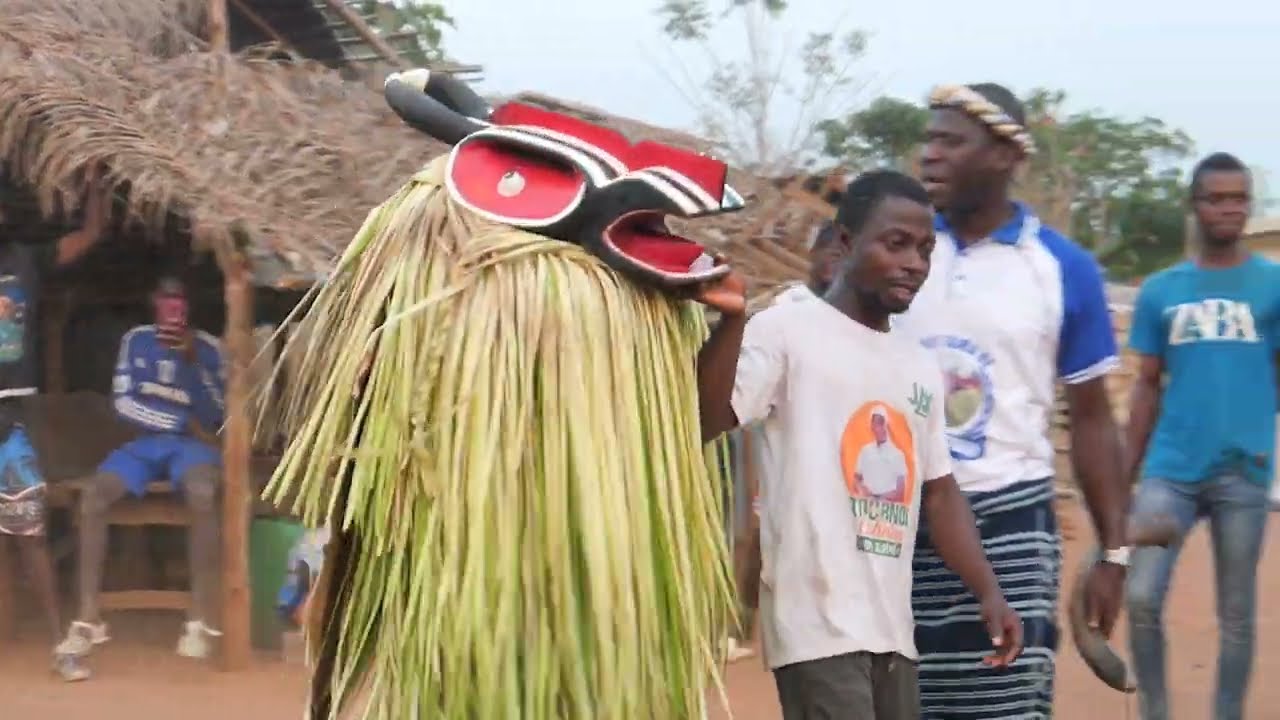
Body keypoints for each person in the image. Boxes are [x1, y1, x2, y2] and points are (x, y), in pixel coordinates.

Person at [695, 169, 1022, 719]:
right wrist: (730, 324)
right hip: (815, 623)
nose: (915, 263)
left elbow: (939, 494)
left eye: (924, 249)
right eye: (896, 244)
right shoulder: (788, 331)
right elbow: (707, 418)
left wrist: (988, 591)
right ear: (845, 244)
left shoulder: (917, 365)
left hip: (892, 630)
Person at [896, 82, 1131, 718]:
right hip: (890, 518)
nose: (930, 155)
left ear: (1002, 155)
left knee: (1003, 704)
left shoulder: (1060, 267)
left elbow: (1091, 421)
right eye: (929, 139)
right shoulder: (897, 252)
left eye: (950, 141)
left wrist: (1113, 552)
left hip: (1010, 523)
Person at [1123, 152, 1279, 720]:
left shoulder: (1273, 284)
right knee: (1140, 596)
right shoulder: (1163, 289)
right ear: (1195, 205)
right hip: (1171, 472)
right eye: (1217, 198)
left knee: (1236, 613)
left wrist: (1254, 422)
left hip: (1244, 470)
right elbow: (1145, 385)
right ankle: (1155, 712)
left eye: (1239, 198)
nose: (1229, 208)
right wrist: (1122, 474)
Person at [62, 275, 226, 661]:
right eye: (167, 299)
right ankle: (88, 618)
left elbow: (217, 415)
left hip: (190, 451)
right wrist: (178, 422)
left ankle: (199, 618)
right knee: (93, 495)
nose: (174, 307)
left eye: (180, 300)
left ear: (189, 306)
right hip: (145, 444)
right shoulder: (135, 340)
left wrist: (192, 364)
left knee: (203, 495)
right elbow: (123, 403)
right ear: (155, 302)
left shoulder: (208, 348)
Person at [0, 165, 107, 681]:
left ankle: (60, 644)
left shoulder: (26, 261)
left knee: (30, 534)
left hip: (11, 416)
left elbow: (89, 236)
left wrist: (94, 187)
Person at [853, 405, 909, 501]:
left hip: (888, 510)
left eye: (882, 423)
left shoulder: (897, 455)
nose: (881, 427)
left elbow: (900, 493)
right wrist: (862, 490)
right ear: (872, 426)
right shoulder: (865, 451)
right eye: (876, 423)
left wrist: (879, 497)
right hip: (865, 508)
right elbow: (856, 479)